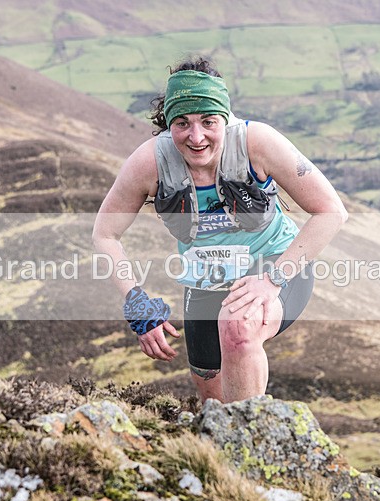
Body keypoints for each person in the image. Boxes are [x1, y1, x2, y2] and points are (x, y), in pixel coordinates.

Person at [92, 57, 347, 403]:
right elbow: (105, 234)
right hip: (205, 278)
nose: (196, 137)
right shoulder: (149, 163)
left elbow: (331, 211)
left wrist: (273, 278)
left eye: (208, 122)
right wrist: (135, 300)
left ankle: (250, 444)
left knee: (239, 328)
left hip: (273, 263)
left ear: (224, 119)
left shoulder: (257, 143)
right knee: (211, 398)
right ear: (169, 123)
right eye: (183, 123)